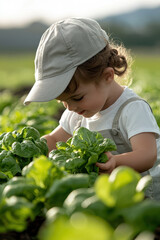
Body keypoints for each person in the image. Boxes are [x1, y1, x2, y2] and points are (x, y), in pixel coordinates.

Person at [24, 17, 160, 200]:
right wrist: (30, 150)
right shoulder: (77, 113)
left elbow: (147, 155)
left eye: (77, 97)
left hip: (145, 197)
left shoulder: (132, 109)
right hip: (110, 196)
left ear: (107, 76)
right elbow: (54, 139)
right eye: (63, 102)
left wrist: (115, 162)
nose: (70, 107)